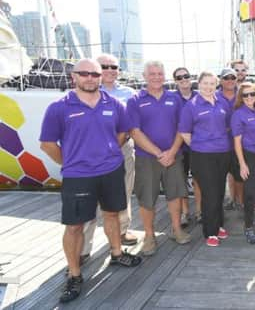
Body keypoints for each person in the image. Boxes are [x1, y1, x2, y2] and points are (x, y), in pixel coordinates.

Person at [39, 59, 141, 303]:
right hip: (78, 176)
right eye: (84, 73)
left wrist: (109, 151)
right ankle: (74, 274)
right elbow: (47, 144)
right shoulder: (59, 107)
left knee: (113, 214)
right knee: (75, 226)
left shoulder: (113, 103)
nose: (90, 78)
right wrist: (70, 162)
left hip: (111, 170)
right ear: (73, 76)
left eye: (95, 73)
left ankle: (116, 253)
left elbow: (123, 131)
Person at [128, 60, 191, 257]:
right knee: (147, 199)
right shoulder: (135, 100)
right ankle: (149, 236)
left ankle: (176, 229)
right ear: (145, 76)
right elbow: (135, 132)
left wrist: (172, 152)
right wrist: (158, 153)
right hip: (147, 158)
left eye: (160, 73)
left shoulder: (175, 98)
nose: (156, 77)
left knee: (175, 194)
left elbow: (183, 127)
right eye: (152, 73)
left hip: (174, 156)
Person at [81, 54, 138, 265]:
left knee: (124, 191)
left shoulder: (129, 93)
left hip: (123, 148)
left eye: (114, 66)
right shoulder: (85, 93)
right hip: (92, 153)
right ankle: (83, 246)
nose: (110, 70)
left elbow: (132, 123)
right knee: (89, 199)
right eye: (104, 66)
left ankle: (122, 231)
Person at [178, 72, 231, 247]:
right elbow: (184, 133)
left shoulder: (222, 102)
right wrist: (201, 145)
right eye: (205, 83)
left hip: (223, 153)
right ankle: (210, 232)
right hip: (202, 155)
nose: (208, 87)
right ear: (198, 84)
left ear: (216, 85)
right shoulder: (191, 106)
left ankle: (218, 224)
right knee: (209, 193)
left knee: (219, 191)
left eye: (212, 83)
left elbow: (228, 126)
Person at [231, 82, 255, 244]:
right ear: (241, 97)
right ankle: (248, 227)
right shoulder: (238, 114)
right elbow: (237, 141)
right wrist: (242, 164)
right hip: (248, 156)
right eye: (245, 95)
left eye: (252, 94)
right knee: (250, 193)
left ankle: (253, 217)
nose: (249, 97)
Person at [173, 67, 201, 227]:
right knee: (181, 180)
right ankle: (185, 213)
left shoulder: (199, 96)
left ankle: (199, 211)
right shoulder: (171, 98)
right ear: (175, 81)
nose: (183, 79)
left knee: (198, 179)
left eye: (186, 76)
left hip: (198, 146)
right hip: (179, 147)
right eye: (179, 77)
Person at [217, 67, 244, 212]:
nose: (229, 81)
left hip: (239, 143)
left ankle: (239, 202)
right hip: (220, 143)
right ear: (221, 80)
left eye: (232, 78)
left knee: (239, 174)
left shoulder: (243, 95)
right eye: (226, 78)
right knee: (221, 175)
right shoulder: (213, 96)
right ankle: (228, 200)